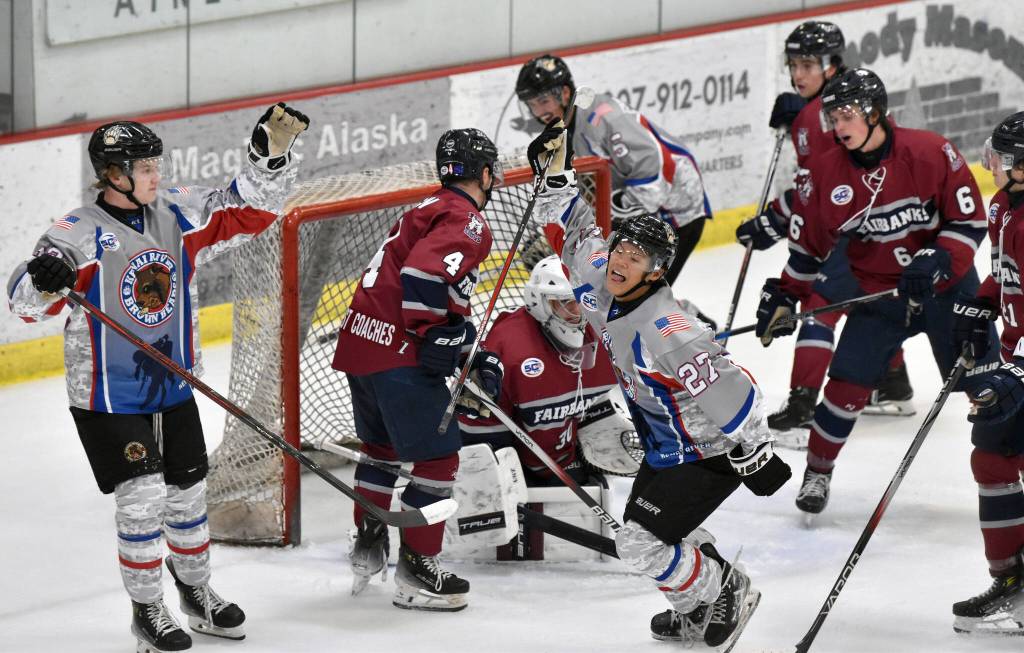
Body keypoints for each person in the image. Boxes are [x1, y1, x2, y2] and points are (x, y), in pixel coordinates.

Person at [6, 103, 308, 651]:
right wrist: (42, 278)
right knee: (143, 499)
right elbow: (23, 302)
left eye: (155, 165)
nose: (156, 175)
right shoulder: (76, 234)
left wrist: (270, 157)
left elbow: (248, 211)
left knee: (189, 499)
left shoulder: (177, 212)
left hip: (172, 386)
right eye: (144, 168)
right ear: (114, 176)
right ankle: (147, 609)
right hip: (108, 396)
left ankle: (196, 593)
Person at [528, 118, 791, 648]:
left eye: (636, 258)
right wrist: (556, 180)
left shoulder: (667, 332)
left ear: (657, 272)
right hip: (666, 445)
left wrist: (753, 449)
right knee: (657, 532)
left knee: (639, 544)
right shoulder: (603, 279)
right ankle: (701, 600)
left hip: (708, 451)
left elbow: (734, 390)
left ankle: (722, 591)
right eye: (621, 249)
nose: (620, 261)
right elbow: (577, 231)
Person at [755, 68, 999, 518]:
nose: (838, 125)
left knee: (989, 387)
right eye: (832, 116)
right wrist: (786, 294)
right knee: (844, 387)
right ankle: (818, 470)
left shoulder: (930, 152)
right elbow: (808, 249)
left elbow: (969, 222)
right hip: (880, 299)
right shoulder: (823, 174)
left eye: (846, 114)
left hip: (950, 294)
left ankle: (1012, 472)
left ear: (875, 112)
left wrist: (938, 257)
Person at [331, 128, 505, 611]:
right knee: (436, 462)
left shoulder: (425, 207)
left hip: (362, 342)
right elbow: (424, 275)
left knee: (381, 450)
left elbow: (436, 286)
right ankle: (417, 572)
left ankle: (368, 545)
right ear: (485, 173)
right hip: (398, 353)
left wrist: (460, 337)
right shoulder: (466, 219)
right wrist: (431, 332)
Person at [736, 21, 913, 439]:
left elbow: (817, 189)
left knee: (821, 301)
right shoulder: (847, 102)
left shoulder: (820, 117)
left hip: (858, 225)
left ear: (832, 65)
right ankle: (892, 381)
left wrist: (775, 220)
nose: (798, 74)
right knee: (867, 303)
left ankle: (802, 402)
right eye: (793, 64)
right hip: (882, 220)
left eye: (808, 64)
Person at [515, 54, 712, 291]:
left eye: (543, 101)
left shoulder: (603, 118)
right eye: (532, 104)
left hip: (676, 210)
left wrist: (616, 216)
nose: (539, 111)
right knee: (627, 294)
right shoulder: (567, 128)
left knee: (639, 296)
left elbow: (656, 164)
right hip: (643, 212)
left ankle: (691, 322)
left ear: (565, 93)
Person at [948, 112, 1024, 636]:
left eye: (1003, 157)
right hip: (1018, 360)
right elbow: (1003, 276)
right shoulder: (1003, 206)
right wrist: (982, 305)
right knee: (992, 460)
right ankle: (1013, 584)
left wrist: (1013, 373)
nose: (992, 165)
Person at [457, 254, 628, 485]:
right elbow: (478, 442)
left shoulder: (606, 335)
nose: (578, 312)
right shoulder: (510, 349)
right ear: (540, 303)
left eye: (585, 299)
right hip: (507, 459)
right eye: (566, 302)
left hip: (559, 454)